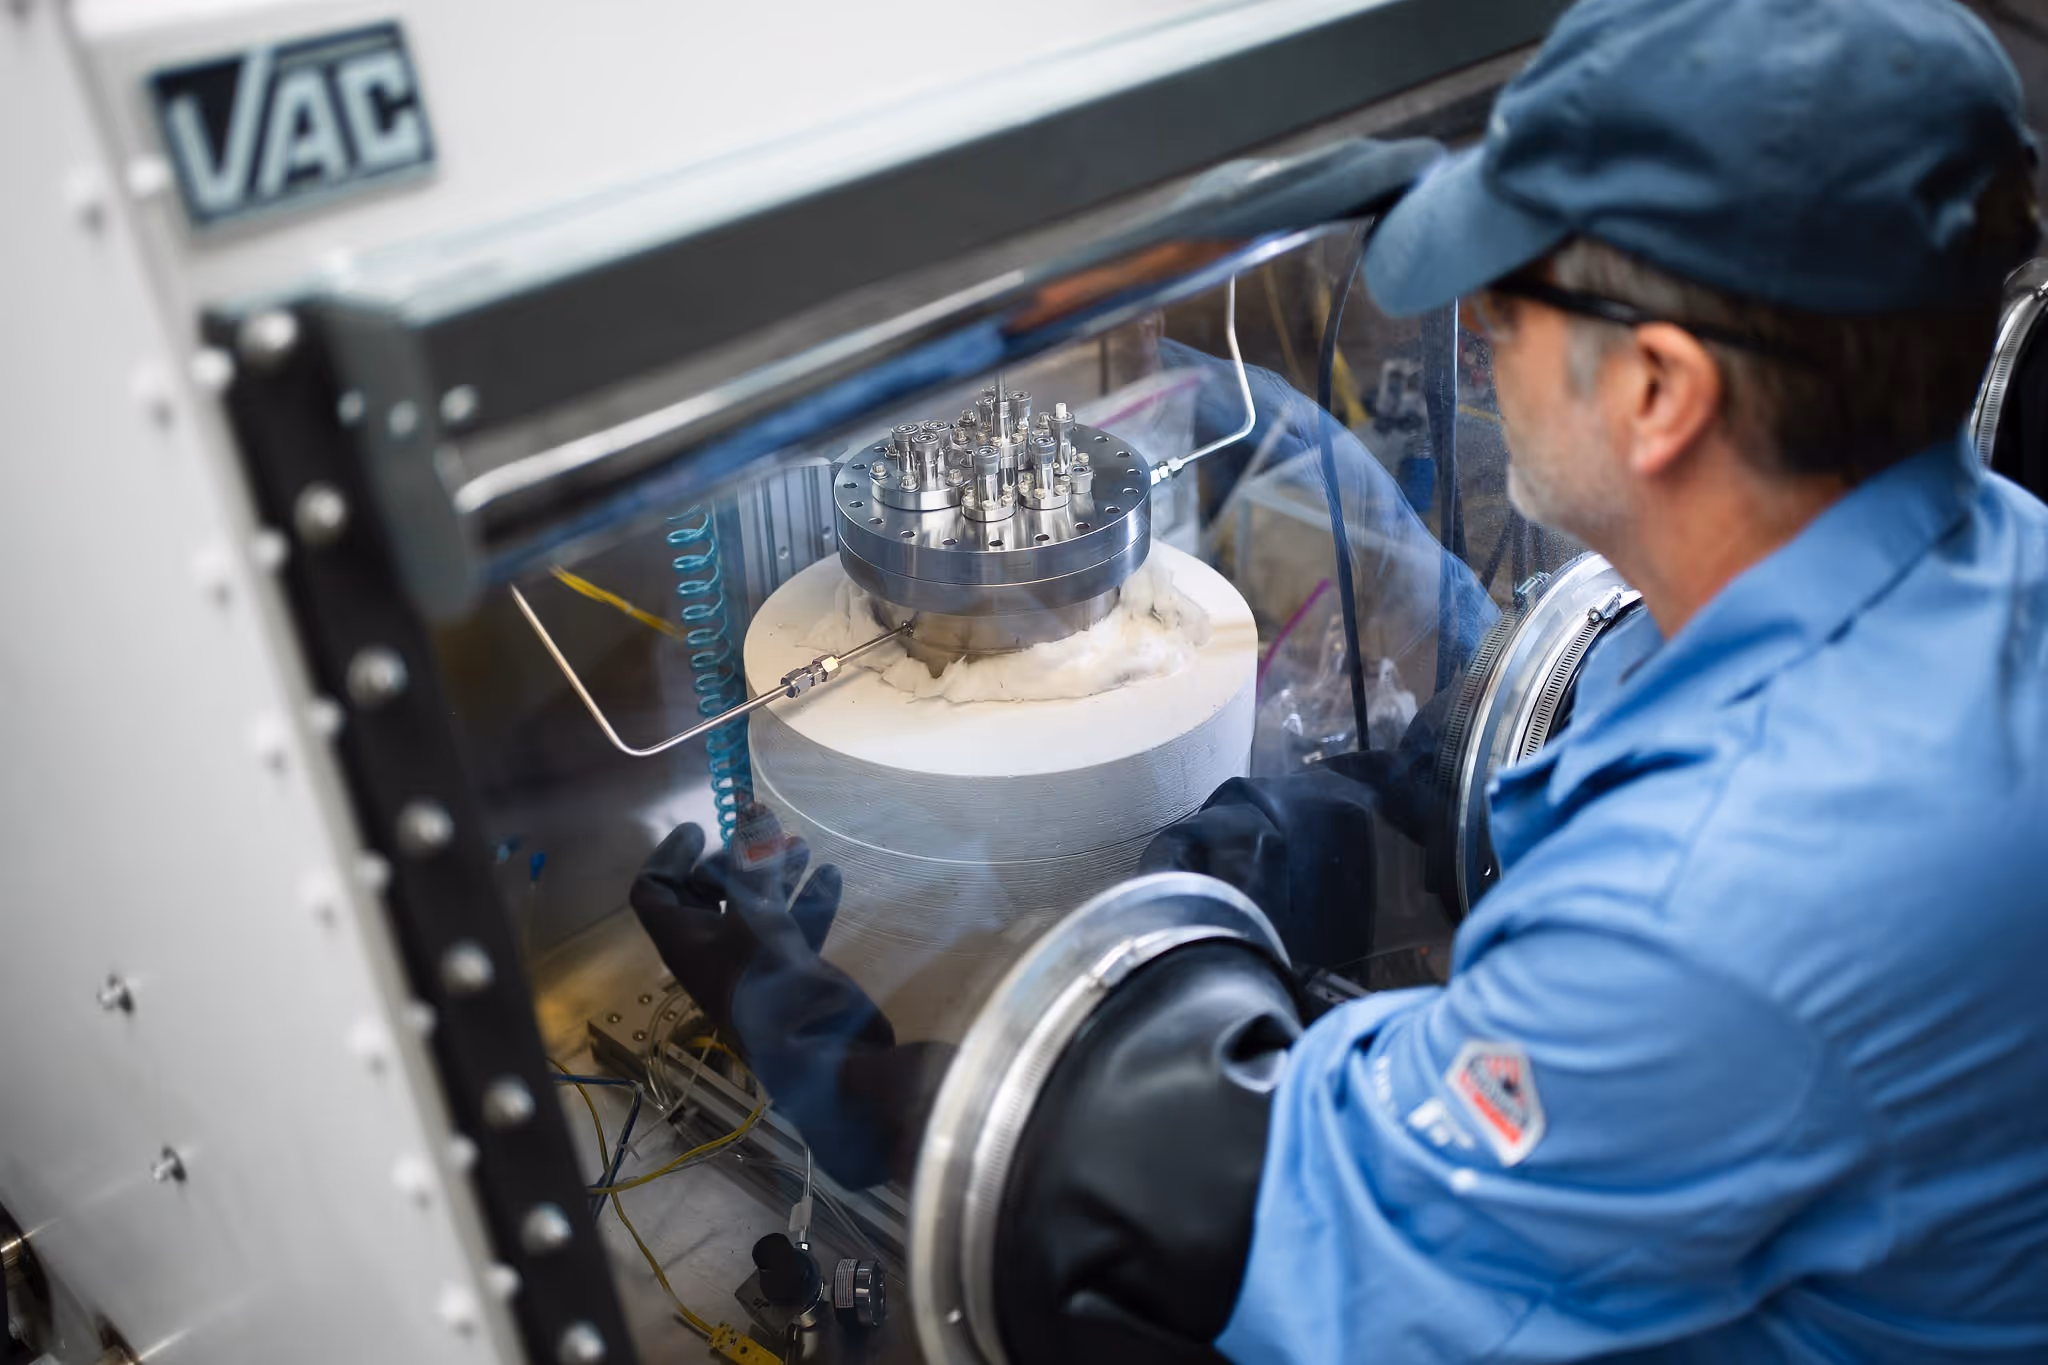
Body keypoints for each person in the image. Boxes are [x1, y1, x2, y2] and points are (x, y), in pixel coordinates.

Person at [630, 0, 2048, 1359]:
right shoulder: (1993, 561)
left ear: (1662, 392)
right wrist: (1248, 850)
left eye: (1515, 286)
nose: (1479, 324)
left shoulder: (1708, 916)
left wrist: (812, 1040)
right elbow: (1535, 756)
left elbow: (1193, 1203)